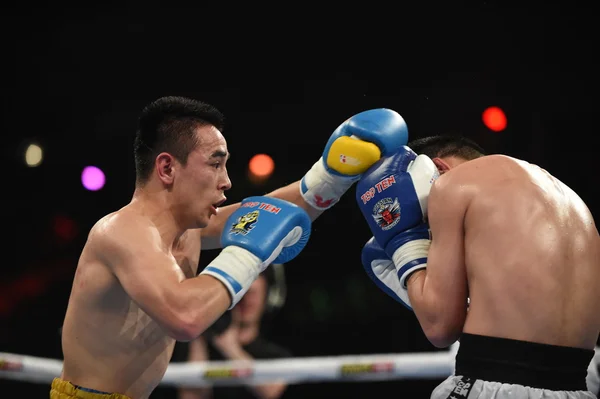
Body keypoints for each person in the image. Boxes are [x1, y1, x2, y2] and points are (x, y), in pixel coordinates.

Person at [50, 95, 409, 399]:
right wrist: (248, 254)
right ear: (166, 168)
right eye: (215, 163)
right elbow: (185, 317)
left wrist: (331, 177)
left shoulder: (188, 230)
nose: (227, 181)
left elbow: (271, 212)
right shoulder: (122, 232)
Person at [356, 135, 600, 398]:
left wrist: (405, 247)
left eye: (427, 220)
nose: (431, 230)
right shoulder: (572, 202)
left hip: (491, 385)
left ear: (436, 169)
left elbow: (440, 328)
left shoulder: (450, 185)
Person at [166, 264, 291, 399]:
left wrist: (230, 348)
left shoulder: (274, 355)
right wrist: (198, 331)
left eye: (253, 295)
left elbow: (272, 391)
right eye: (243, 295)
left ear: (267, 297)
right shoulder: (201, 345)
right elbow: (191, 397)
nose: (247, 301)